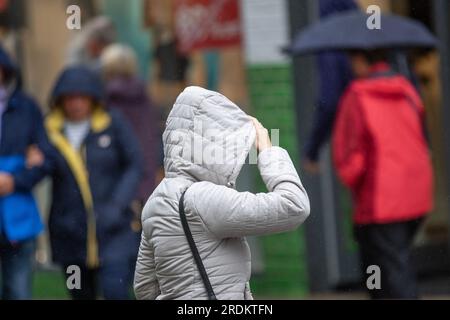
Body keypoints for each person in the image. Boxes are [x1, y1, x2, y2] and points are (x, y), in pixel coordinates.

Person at [134, 86, 310, 300]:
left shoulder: (156, 200)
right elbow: (294, 206)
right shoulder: (205, 198)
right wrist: (268, 151)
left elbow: (144, 287)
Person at [332, 50, 434, 299]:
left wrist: (349, 178)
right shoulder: (407, 90)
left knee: (389, 273)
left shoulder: (358, 94)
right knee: (393, 263)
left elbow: (352, 153)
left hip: (381, 199)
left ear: (360, 60)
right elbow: (423, 137)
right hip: (415, 192)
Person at [45, 65, 143, 300]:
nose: (76, 103)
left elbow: (134, 163)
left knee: (115, 290)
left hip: (113, 231)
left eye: (81, 97)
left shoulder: (112, 123)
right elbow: (38, 168)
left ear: (93, 98)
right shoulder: (48, 129)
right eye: (69, 97)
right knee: (79, 294)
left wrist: (117, 205)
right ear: (60, 100)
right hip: (69, 234)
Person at [0, 46, 52, 300]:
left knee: (19, 292)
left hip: (18, 217)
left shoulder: (26, 107)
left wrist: (14, 180)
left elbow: (45, 158)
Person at [100, 44, 163, 216]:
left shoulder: (106, 102)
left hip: (118, 181)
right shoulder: (144, 97)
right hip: (147, 173)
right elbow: (154, 136)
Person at [303, 0, 358, 173]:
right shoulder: (362, 29)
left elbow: (329, 101)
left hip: (357, 144)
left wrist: (313, 149)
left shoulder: (330, 38)